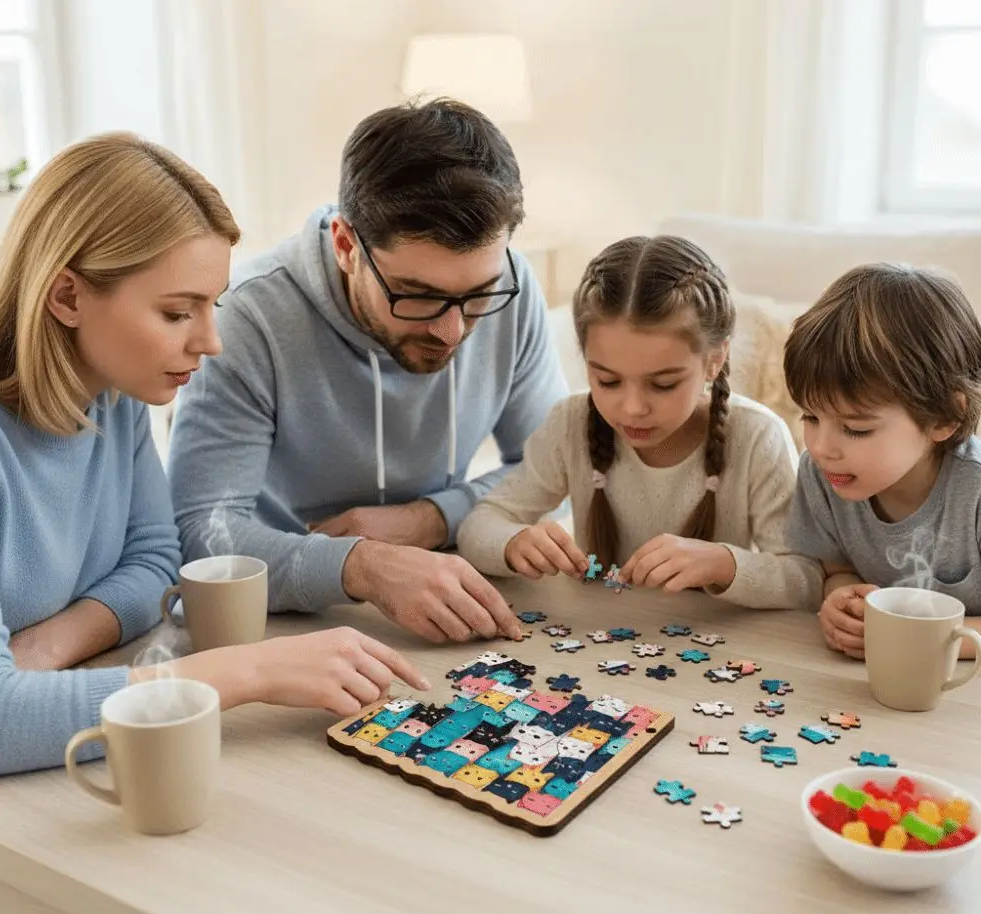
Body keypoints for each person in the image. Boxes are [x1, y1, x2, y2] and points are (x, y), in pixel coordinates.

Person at [0, 132, 428, 779]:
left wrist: (48, 646)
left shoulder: (113, 396)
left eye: (210, 306)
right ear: (68, 296)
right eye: (176, 312)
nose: (211, 342)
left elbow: (155, 564)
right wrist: (246, 670)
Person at [167, 99, 568, 643]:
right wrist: (360, 564)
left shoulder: (512, 290)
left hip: (448, 600)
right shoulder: (244, 318)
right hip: (283, 624)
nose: (453, 331)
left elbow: (557, 470)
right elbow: (201, 536)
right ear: (345, 244)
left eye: (477, 295)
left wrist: (428, 520)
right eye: (419, 296)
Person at [457, 235, 823, 610]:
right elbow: (479, 525)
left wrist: (723, 564)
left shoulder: (757, 435)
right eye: (608, 381)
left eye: (663, 384)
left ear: (715, 359)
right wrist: (513, 542)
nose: (632, 409)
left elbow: (805, 579)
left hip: (713, 647)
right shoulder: (571, 423)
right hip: (595, 638)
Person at [784, 263, 981, 659]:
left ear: (946, 417)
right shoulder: (823, 475)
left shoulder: (973, 490)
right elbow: (835, 568)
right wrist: (842, 602)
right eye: (810, 417)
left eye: (856, 428)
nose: (822, 447)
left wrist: (907, 636)